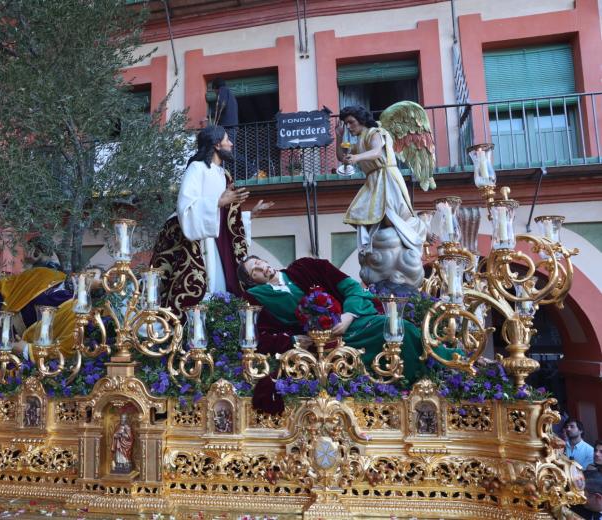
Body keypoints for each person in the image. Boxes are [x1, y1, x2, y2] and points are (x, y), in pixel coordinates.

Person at [237, 255, 461, 414]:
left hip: (355, 322)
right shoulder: (256, 298)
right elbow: (260, 336)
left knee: (400, 329)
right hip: (321, 347)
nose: (261, 268)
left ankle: (443, 370)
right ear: (251, 282)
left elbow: (352, 288)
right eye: (254, 271)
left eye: (259, 262)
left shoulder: (307, 267)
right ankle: (405, 391)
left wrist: (348, 315)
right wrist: (296, 340)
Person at [151, 125, 272, 315]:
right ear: (216, 144)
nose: (231, 144)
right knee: (203, 289)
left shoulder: (224, 174)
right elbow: (185, 207)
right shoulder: (197, 168)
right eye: (227, 140)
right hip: (199, 241)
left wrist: (248, 216)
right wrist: (218, 201)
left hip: (218, 241)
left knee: (220, 286)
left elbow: (226, 216)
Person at [337, 105, 427, 291]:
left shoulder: (375, 132)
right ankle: (382, 249)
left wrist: (356, 158)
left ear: (361, 120)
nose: (349, 127)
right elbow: (342, 157)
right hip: (373, 180)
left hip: (386, 178)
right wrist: (339, 137)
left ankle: (414, 233)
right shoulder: (360, 139)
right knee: (365, 217)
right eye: (346, 124)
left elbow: (377, 151)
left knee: (390, 216)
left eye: (351, 122)